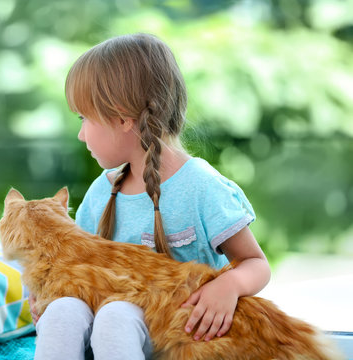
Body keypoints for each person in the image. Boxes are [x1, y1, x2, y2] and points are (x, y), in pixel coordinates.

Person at [30, 33, 271, 360]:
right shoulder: (104, 190)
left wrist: (228, 286)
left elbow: (255, 263)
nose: (80, 133)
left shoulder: (201, 188)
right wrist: (48, 292)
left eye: (84, 118)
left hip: (175, 330)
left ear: (122, 118)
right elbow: (77, 264)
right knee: (62, 313)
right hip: (108, 319)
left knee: (116, 317)